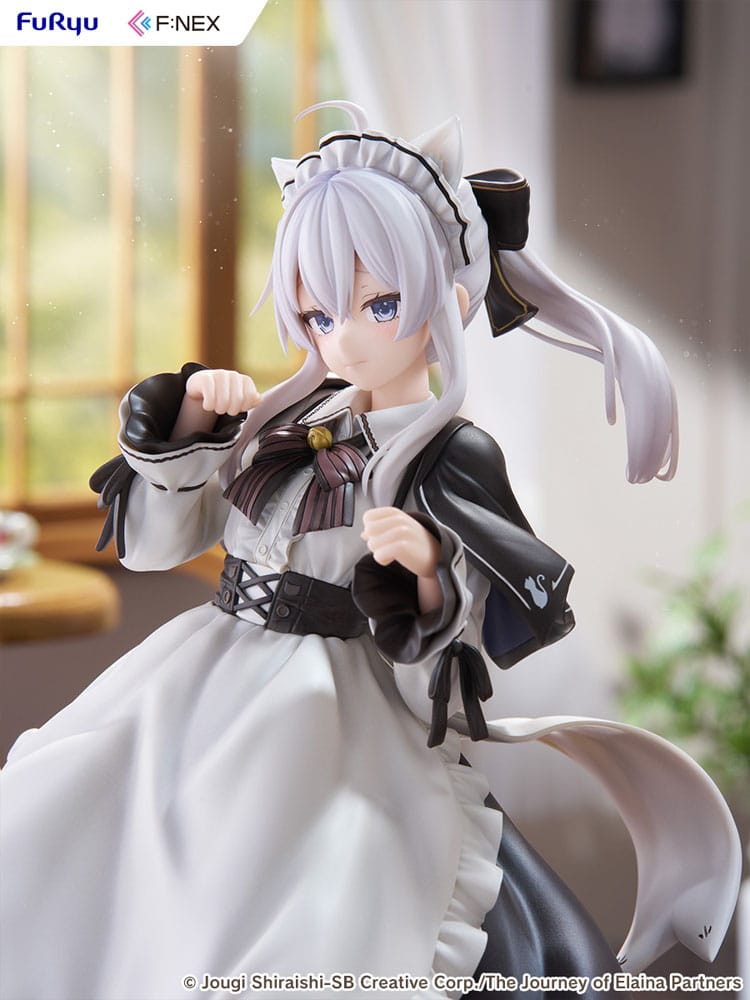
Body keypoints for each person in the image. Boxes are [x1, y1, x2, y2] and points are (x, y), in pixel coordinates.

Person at [0, 102, 739, 1000]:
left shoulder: (449, 454)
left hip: (332, 716)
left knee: (301, 909)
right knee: (72, 837)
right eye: (317, 314)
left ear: (450, 301)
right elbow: (159, 549)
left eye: (378, 304)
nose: (341, 335)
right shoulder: (284, 422)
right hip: (197, 679)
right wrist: (191, 428)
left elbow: (451, 660)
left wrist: (427, 574)